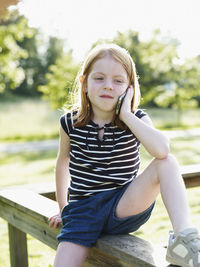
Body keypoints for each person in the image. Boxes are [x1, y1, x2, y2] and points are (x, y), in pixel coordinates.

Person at [49, 43, 200, 267]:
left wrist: (127, 115)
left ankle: (184, 240)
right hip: (82, 212)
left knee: (167, 162)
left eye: (118, 81)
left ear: (129, 88)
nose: (108, 86)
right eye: (99, 78)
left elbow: (162, 150)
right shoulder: (70, 123)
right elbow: (63, 163)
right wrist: (63, 209)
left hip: (123, 205)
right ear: (84, 84)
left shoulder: (136, 118)